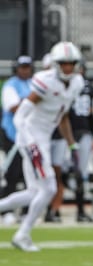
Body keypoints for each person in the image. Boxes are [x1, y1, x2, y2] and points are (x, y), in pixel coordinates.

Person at [0, 42, 84, 251]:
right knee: (50, 188)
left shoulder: (77, 83)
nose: (67, 68)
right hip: (31, 137)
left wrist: (72, 144)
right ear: (55, 64)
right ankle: (23, 234)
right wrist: (30, 142)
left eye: (71, 63)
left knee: (34, 192)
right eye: (64, 63)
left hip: (44, 138)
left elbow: (63, 116)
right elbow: (20, 116)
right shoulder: (45, 82)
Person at [0, 55, 33, 225]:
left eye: (28, 67)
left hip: (31, 136)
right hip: (13, 135)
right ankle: (7, 211)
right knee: (12, 174)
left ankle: (27, 211)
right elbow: (12, 107)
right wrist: (32, 104)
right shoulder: (10, 85)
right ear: (16, 68)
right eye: (22, 67)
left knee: (29, 176)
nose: (25, 70)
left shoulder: (33, 83)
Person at [68, 61, 93, 223]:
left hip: (84, 131)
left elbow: (91, 113)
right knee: (63, 170)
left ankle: (80, 210)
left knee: (81, 172)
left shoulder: (88, 87)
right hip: (65, 133)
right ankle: (53, 209)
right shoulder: (63, 85)